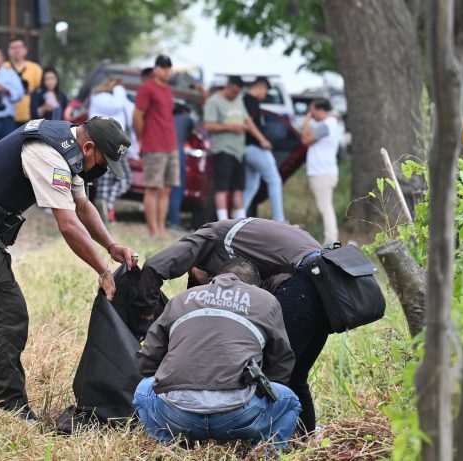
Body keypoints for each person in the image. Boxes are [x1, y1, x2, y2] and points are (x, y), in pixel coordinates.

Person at [0, 116, 139, 421]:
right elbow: (68, 224)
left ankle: (4, 397)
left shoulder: (68, 148)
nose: (101, 170)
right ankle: (12, 406)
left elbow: (82, 206)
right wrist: (103, 270)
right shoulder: (48, 153)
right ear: (88, 147)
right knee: (6, 314)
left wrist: (111, 246)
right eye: (103, 162)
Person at [136, 218, 330, 433]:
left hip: (304, 282)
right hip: (326, 283)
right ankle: (303, 433)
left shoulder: (209, 236)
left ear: (196, 262)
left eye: (196, 278)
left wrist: (146, 317)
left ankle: (248, 425)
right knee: (296, 375)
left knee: (279, 372)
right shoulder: (257, 244)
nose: (203, 284)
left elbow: (154, 267)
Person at [134, 258, 300, 448]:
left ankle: (169, 446)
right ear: (255, 286)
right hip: (239, 416)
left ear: (213, 278)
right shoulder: (266, 301)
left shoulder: (181, 298)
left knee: (143, 390)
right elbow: (281, 364)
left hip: (176, 415)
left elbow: (147, 362)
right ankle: (265, 452)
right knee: (290, 401)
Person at [203, 76, 269, 222]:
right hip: (223, 150)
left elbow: (248, 121)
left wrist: (261, 139)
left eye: (237, 92)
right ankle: (222, 221)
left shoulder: (239, 100)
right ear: (227, 87)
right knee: (222, 188)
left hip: (239, 151)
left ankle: (240, 221)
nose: (235, 95)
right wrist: (230, 127)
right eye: (233, 92)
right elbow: (208, 125)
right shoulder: (214, 102)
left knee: (239, 188)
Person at [134, 55, 179, 237]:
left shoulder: (168, 89)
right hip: (154, 145)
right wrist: (142, 139)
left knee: (167, 189)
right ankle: (153, 230)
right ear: (156, 69)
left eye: (169, 67)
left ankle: (161, 228)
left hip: (171, 145)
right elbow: (137, 116)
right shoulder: (147, 88)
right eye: (164, 67)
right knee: (152, 188)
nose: (167, 70)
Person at [88, 77, 134, 222]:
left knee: (125, 179)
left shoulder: (118, 100)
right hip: (105, 141)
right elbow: (117, 105)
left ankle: (106, 203)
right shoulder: (101, 97)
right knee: (106, 177)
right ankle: (103, 206)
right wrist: (119, 90)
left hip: (118, 143)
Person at [242, 77, 285, 222]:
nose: (265, 94)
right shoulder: (250, 101)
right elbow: (248, 123)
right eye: (266, 90)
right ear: (260, 87)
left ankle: (237, 219)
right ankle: (279, 219)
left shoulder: (244, 101)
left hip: (246, 148)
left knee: (251, 186)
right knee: (274, 180)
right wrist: (262, 140)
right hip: (256, 147)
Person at [302, 98, 342, 245]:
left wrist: (306, 121)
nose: (311, 114)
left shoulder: (326, 124)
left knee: (325, 207)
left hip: (322, 172)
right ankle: (331, 238)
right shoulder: (330, 124)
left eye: (312, 111)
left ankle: (331, 239)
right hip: (325, 171)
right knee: (325, 206)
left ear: (320, 109)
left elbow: (305, 140)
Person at [167, 103, 194, 230]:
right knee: (177, 190)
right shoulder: (185, 119)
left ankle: (164, 220)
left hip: (163, 154)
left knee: (163, 190)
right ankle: (174, 221)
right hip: (178, 155)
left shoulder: (167, 119)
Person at [4, 38, 42, 126]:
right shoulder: (3, 68)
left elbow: (41, 91)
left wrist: (30, 92)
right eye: (13, 48)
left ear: (25, 50)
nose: (16, 50)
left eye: (19, 47)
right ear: (8, 51)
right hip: (7, 117)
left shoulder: (35, 68)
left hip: (30, 117)